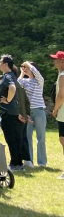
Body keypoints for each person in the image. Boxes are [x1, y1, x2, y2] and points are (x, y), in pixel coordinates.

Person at [0, 54, 25, 171]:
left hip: (8, 113)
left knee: (11, 139)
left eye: (0, 62)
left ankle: (15, 164)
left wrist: (8, 100)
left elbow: (12, 88)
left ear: (5, 64)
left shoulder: (8, 76)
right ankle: (18, 163)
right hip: (11, 112)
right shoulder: (9, 75)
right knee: (14, 138)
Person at [18, 61, 47, 168]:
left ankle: (42, 162)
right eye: (24, 67)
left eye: (27, 68)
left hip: (39, 110)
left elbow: (38, 74)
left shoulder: (39, 81)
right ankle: (29, 161)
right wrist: (22, 72)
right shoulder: (24, 81)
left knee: (41, 137)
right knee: (27, 137)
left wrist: (28, 64)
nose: (25, 69)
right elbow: (17, 84)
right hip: (28, 113)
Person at [50, 50, 64, 179]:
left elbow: (61, 95)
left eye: (56, 59)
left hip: (63, 113)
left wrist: (55, 109)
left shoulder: (62, 76)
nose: (54, 61)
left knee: (63, 140)